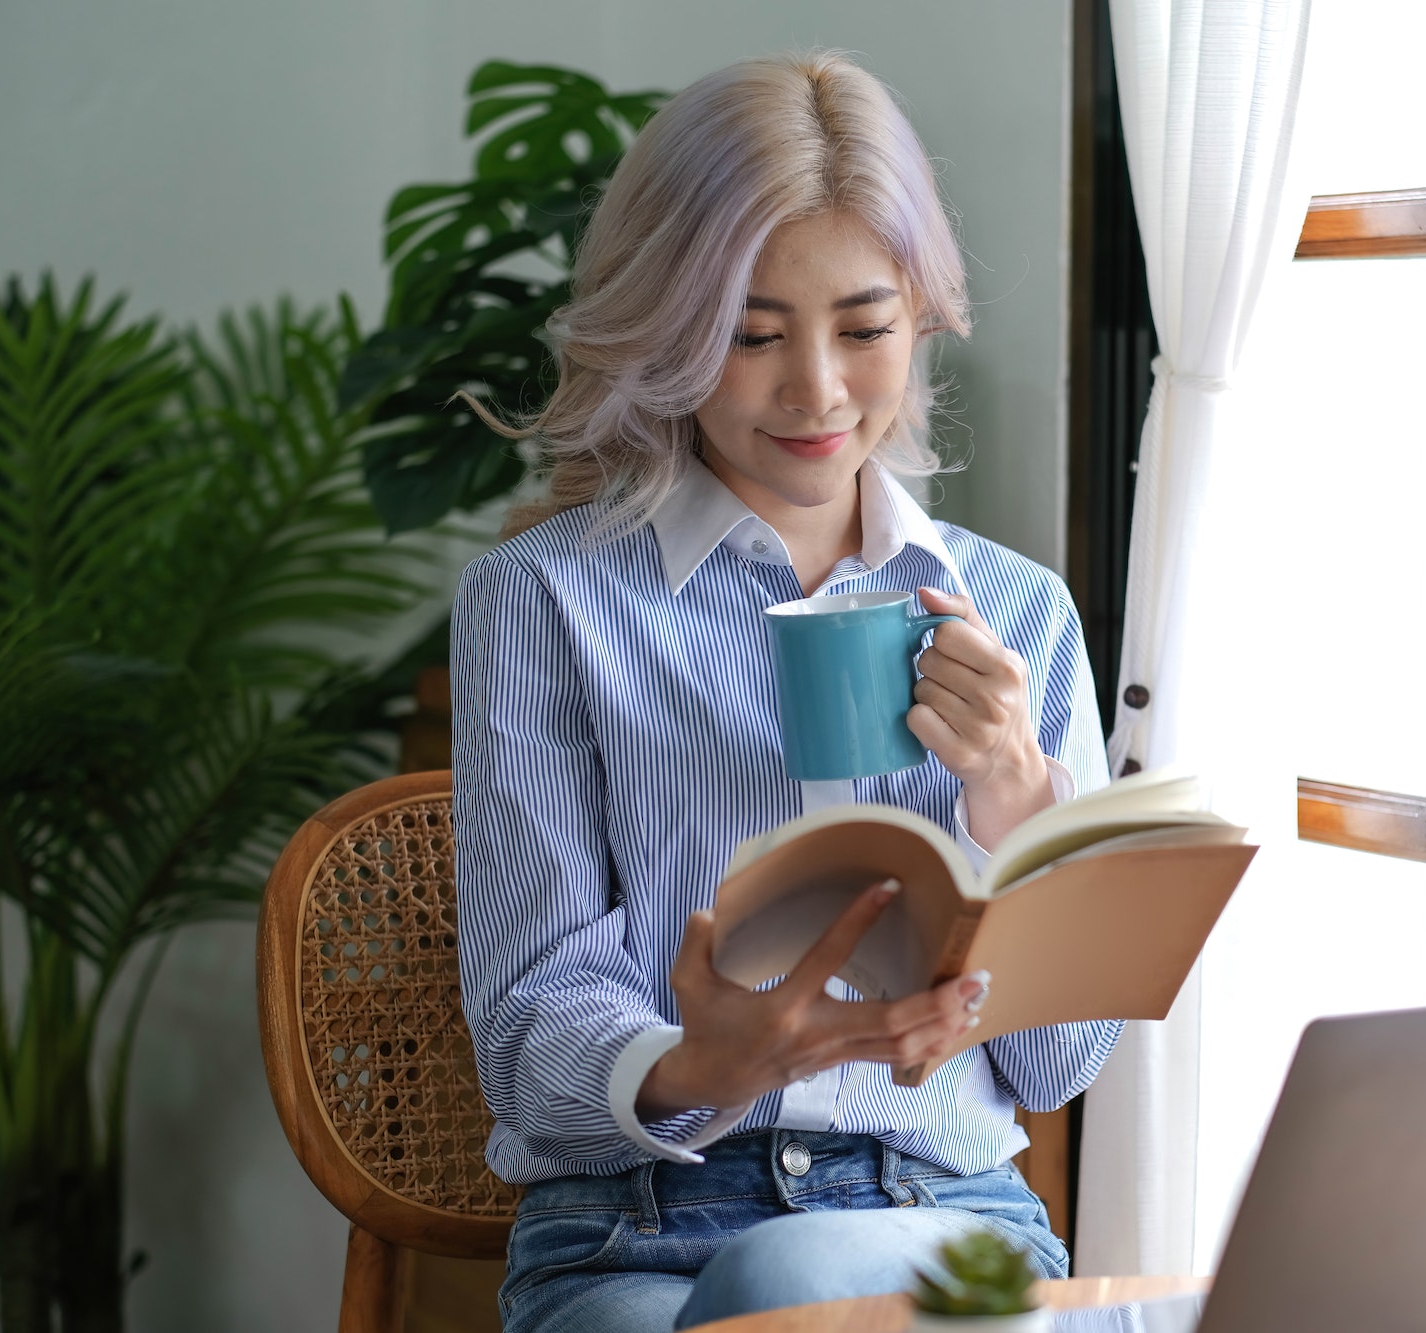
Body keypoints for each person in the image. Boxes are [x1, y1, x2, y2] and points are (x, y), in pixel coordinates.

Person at [451, 50, 1119, 1333]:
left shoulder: (1017, 614)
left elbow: (1053, 1065)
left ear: (919, 317)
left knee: (801, 1288)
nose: (815, 390)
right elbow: (528, 1032)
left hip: (945, 1211)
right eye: (750, 335)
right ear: (664, 330)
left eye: (862, 328)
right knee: (770, 1293)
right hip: (633, 1232)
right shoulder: (542, 604)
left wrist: (1017, 807)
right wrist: (696, 1064)